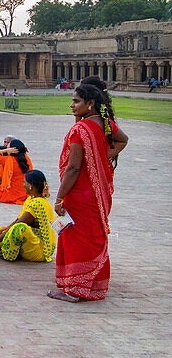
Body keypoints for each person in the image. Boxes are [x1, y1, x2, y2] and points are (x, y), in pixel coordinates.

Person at [49, 82, 127, 303]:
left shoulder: (80, 130)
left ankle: (74, 290)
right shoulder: (104, 123)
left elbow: (73, 168)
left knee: (76, 238)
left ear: (90, 104)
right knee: (93, 236)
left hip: (80, 192)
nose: (72, 105)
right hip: (98, 192)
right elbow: (123, 140)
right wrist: (104, 157)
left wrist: (60, 197)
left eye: (76, 101)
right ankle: (92, 287)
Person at [0, 169, 56, 263]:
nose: (23, 185)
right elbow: (17, 219)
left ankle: (4, 252)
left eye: (25, 183)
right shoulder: (31, 199)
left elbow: (19, 224)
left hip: (38, 248)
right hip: (28, 241)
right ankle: (5, 250)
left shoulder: (38, 203)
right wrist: (2, 231)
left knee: (19, 228)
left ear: (31, 186)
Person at [0, 137, 32, 205]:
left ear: (12, 149)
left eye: (8, 146)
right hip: (25, 193)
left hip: (9, 193)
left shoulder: (8, 159)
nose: (6, 147)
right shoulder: (27, 159)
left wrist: (4, 151)